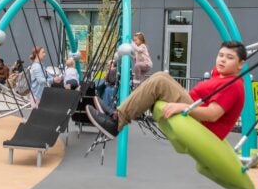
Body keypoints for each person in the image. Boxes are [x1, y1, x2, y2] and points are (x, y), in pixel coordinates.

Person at [86, 41, 247, 142]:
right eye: (220, 55)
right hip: (197, 112)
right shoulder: (220, 76)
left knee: (160, 81)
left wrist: (183, 107)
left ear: (241, 64)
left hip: (204, 127)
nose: (222, 60)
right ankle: (116, 113)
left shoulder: (233, 85)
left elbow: (213, 114)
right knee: (163, 76)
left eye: (230, 57)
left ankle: (116, 122)